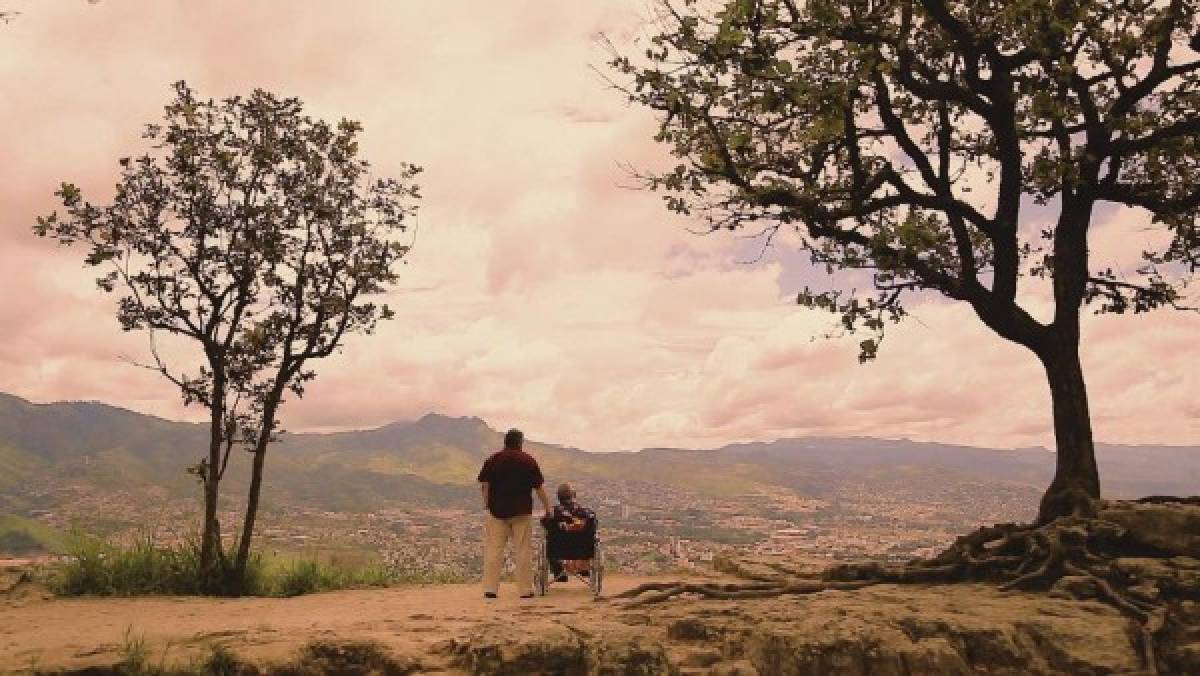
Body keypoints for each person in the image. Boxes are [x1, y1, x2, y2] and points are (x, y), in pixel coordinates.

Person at [477, 428, 551, 599]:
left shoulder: (493, 460)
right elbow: (538, 488)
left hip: (497, 512)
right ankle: (525, 590)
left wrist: (487, 504)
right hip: (521, 512)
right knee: (523, 550)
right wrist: (547, 508)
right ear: (520, 442)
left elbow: (485, 485)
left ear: (505, 441)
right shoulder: (528, 461)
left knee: (494, 550)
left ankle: (490, 589)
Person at [543, 482, 597, 583]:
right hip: (583, 551)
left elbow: (546, 524)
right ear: (573, 495)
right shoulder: (586, 513)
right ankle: (584, 569)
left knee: (548, 540)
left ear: (558, 497)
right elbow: (592, 525)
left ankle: (558, 572)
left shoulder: (552, 514)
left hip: (557, 551)